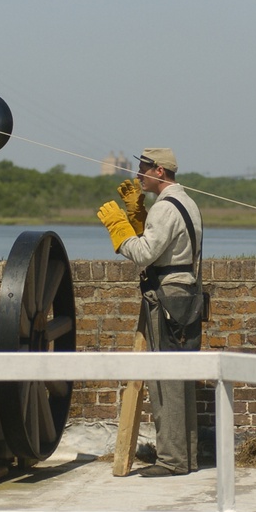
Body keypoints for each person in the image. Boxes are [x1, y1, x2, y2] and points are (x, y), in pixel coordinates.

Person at [97, 148, 204, 477]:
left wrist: (119, 227)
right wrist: (138, 217)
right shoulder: (184, 202)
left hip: (169, 296)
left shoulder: (164, 208)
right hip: (186, 294)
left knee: (164, 380)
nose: (138, 175)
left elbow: (145, 254)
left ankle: (172, 461)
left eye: (143, 169)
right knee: (181, 379)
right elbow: (165, 247)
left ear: (159, 171)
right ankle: (185, 457)